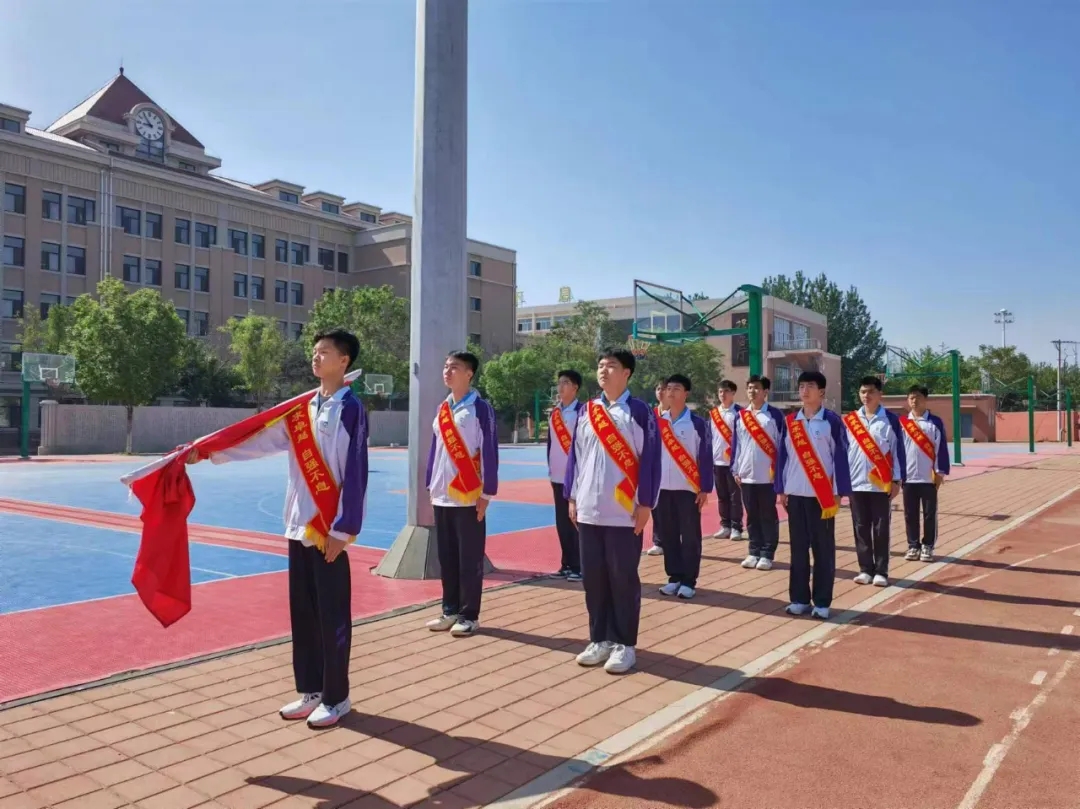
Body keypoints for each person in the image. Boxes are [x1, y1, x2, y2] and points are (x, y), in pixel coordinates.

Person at [187, 329, 369, 728]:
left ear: (344, 361)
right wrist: (213, 451)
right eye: (315, 352)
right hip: (298, 524)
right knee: (303, 613)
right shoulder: (302, 410)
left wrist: (344, 528)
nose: (316, 358)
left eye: (325, 352)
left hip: (328, 529)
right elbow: (263, 441)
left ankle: (337, 698)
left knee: (332, 614)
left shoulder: (351, 409)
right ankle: (311, 690)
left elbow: (356, 472)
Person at [565, 348, 661, 674]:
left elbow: (651, 461)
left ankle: (624, 644)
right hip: (589, 509)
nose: (604, 371)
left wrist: (646, 503)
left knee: (622, 579)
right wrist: (572, 498)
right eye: (601, 366)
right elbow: (574, 459)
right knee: (593, 579)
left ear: (627, 373)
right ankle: (599, 639)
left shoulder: (640, 411)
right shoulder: (586, 411)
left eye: (612, 366)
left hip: (624, 511)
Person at [424, 351, 499, 637]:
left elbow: (490, 451)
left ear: (469, 373)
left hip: (468, 494)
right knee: (447, 556)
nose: (447, 371)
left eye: (454, 367)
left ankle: (469, 615)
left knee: (469, 557)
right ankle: (449, 609)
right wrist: (430, 483)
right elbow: (435, 449)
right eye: (445, 366)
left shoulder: (480, 408)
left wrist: (487, 493)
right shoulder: (443, 408)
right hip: (442, 495)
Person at [775, 371, 851, 620]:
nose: (804, 390)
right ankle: (798, 598)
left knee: (823, 550)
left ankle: (821, 602)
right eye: (801, 386)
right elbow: (782, 458)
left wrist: (839, 492)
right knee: (797, 549)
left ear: (822, 392)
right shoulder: (790, 422)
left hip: (822, 498)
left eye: (810, 386)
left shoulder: (832, 421)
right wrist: (781, 489)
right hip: (795, 495)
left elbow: (840, 458)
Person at [844, 375, 906, 587]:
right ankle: (865, 569)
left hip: (881, 484)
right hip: (856, 483)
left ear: (880, 394)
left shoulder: (891, 420)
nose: (866, 396)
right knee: (860, 527)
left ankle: (881, 571)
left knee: (881, 529)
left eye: (870, 392)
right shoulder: (850, 420)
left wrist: (897, 481)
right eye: (862, 392)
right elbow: (844, 452)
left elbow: (899, 452)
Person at [656, 375, 714, 599]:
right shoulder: (658, 422)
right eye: (668, 388)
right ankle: (674, 577)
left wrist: (704, 488)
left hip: (688, 489)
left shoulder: (697, 423)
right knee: (668, 536)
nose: (670, 392)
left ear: (686, 393)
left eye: (676, 388)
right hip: (662, 489)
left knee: (689, 537)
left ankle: (689, 580)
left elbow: (705, 457)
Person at [732, 375, 785, 571]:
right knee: (752, 515)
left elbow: (782, 446)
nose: (752, 391)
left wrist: (779, 473)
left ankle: (767, 553)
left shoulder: (775, 416)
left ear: (765, 392)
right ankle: (753, 550)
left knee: (767, 515)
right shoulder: (741, 416)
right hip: (746, 475)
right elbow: (736, 445)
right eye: (750, 388)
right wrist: (735, 468)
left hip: (767, 475)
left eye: (756, 388)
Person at [900, 385, 950, 563]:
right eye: (911, 397)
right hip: (908, 478)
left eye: (918, 397)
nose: (914, 401)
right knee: (910, 514)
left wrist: (939, 472)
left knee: (929, 513)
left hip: (928, 477)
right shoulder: (902, 423)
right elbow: (898, 451)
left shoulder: (935, 422)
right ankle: (913, 545)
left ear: (925, 399)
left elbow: (941, 448)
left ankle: (928, 545)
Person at [548, 369, 585, 581]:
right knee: (562, 522)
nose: (561, 387)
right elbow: (551, 445)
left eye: (566, 383)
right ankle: (567, 564)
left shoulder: (583, 412)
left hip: (577, 478)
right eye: (559, 382)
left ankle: (580, 565)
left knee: (576, 521)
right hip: (557, 477)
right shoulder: (555, 414)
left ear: (575, 387)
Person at [709, 379, 744, 540]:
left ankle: (737, 527)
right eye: (720, 391)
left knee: (735, 496)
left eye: (726, 391)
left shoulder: (740, 413)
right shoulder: (713, 413)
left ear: (733, 393)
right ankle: (725, 525)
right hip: (717, 461)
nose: (723, 394)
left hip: (733, 462)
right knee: (722, 495)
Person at [646, 382, 667, 556]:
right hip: (656, 469)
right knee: (656, 508)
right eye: (658, 388)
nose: (660, 392)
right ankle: (658, 541)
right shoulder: (651, 415)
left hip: (675, 471)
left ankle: (674, 539)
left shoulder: (675, 414)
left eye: (663, 389)